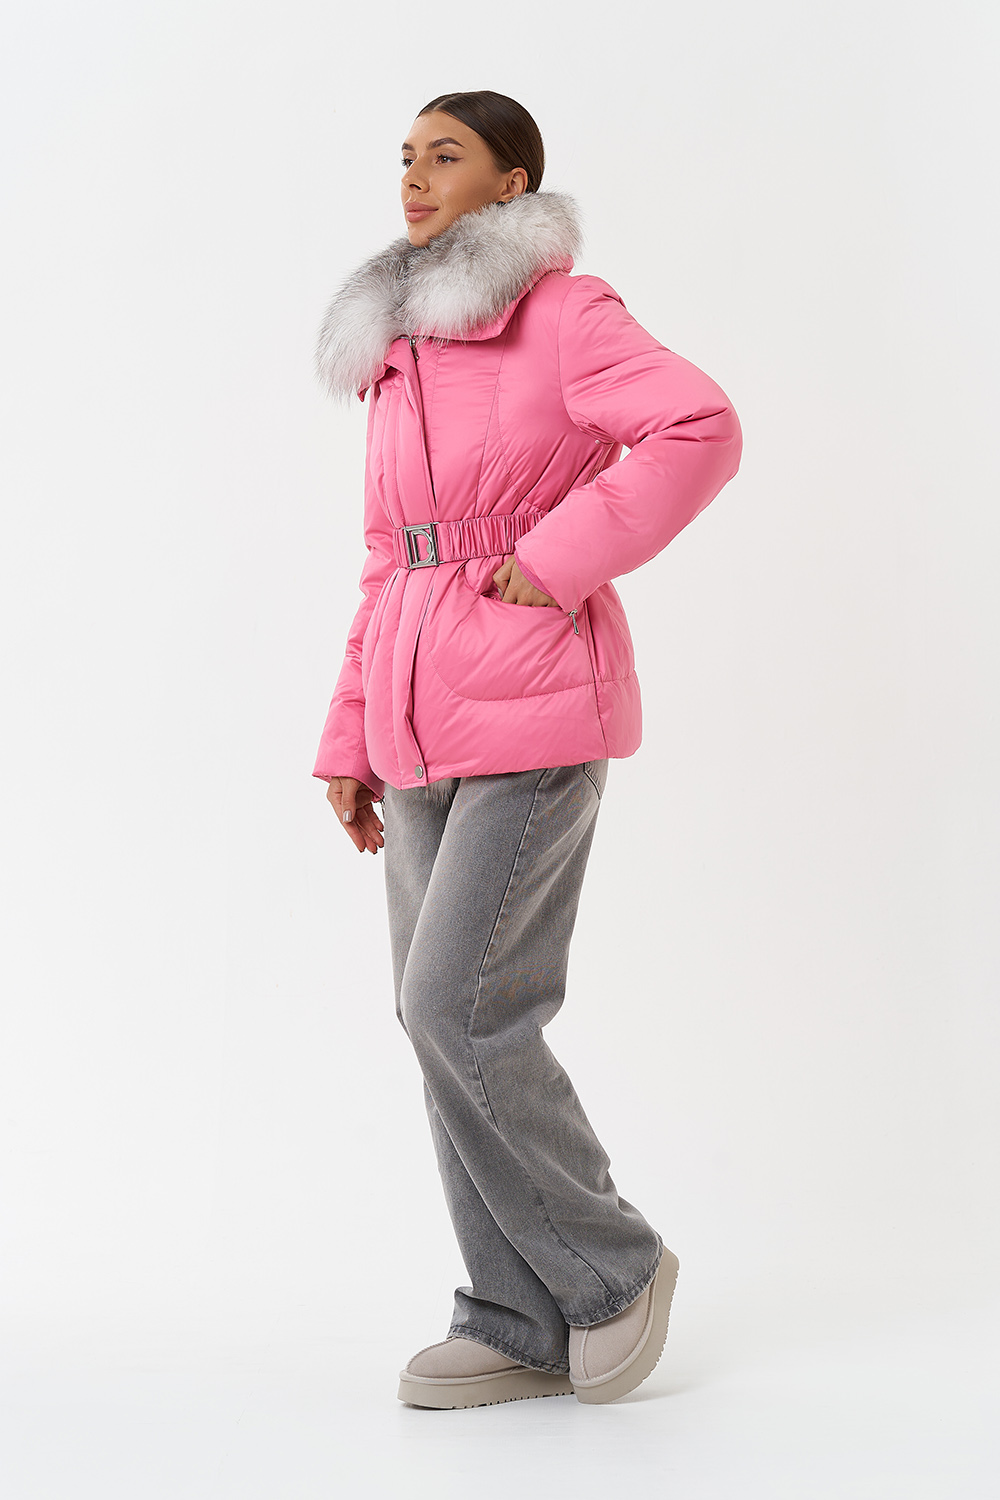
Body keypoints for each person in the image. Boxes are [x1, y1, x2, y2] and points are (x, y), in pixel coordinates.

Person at [311, 90, 743, 1409]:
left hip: (537, 706)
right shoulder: (401, 351)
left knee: (464, 1005)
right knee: (430, 1016)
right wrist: (350, 735)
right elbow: (391, 559)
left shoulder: (564, 312)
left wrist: (555, 559)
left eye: (446, 155)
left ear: (512, 184)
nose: (414, 176)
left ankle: (613, 1270)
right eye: (405, 156)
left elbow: (699, 426)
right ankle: (513, 1312)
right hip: (415, 722)